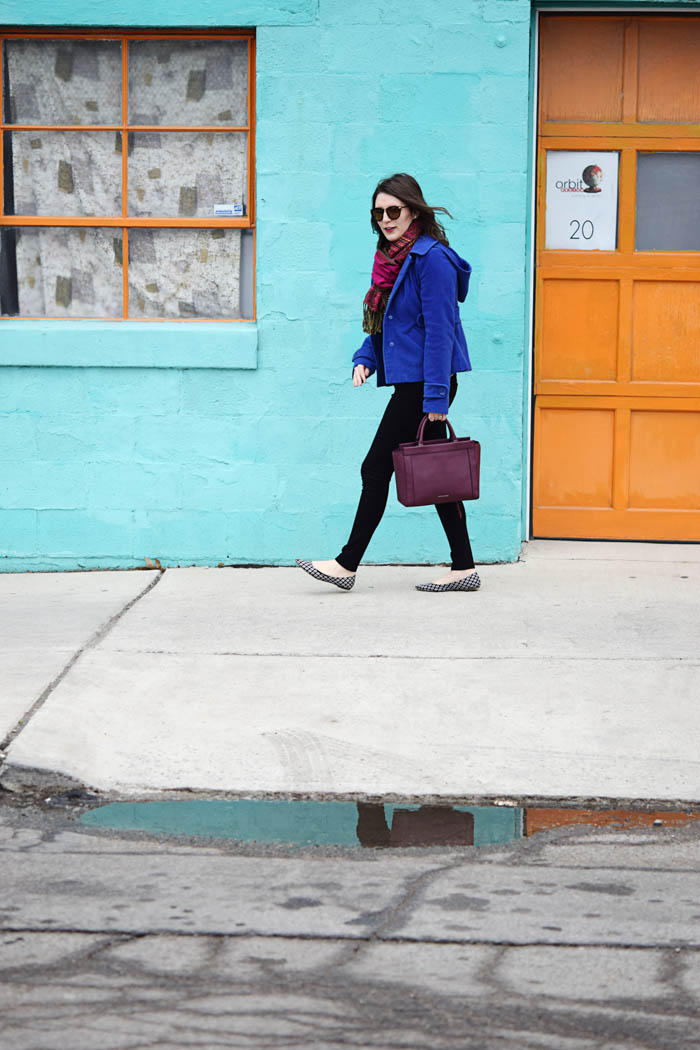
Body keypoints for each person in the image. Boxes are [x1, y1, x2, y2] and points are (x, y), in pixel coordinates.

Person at [297, 172, 479, 593]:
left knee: (375, 467)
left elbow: (440, 331)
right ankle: (464, 567)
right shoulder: (393, 258)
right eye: (378, 212)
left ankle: (346, 564)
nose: (385, 219)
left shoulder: (431, 259)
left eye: (393, 210)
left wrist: (436, 397)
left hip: (426, 385)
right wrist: (366, 358)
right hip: (415, 383)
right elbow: (390, 323)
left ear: (413, 210)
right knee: (440, 474)